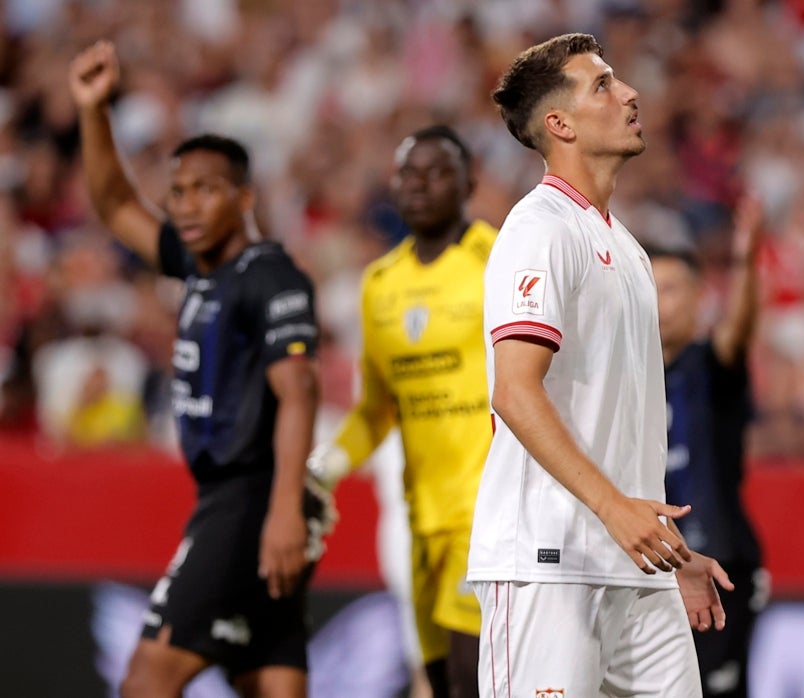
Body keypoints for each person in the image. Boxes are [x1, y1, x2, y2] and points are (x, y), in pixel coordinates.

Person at [468, 32, 733, 697]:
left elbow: (619, 423)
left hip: (634, 568)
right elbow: (515, 393)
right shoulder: (539, 231)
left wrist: (665, 549)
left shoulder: (627, 247)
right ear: (559, 124)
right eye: (603, 85)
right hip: (547, 562)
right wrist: (614, 509)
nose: (630, 93)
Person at [70, 41, 329, 698]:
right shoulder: (198, 266)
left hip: (248, 502)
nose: (185, 206)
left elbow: (299, 391)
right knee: (271, 679)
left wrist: (280, 514)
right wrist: (94, 111)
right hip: (245, 499)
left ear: (244, 197)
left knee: (146, 677)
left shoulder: (267, 275)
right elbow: (113, 203)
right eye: (178, 192)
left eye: (205, 191)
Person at [306, 125, 496, 698]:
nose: (419, 186)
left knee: (471, 677)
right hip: (418, 517)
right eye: (408, 175)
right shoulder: (380, 284)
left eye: (437, 173)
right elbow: (375, 409)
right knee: (436, 682)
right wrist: (323, 470)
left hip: (486, 508)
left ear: (469, 182)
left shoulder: (500, 258)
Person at [648, 197, 768, 698]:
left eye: (671, 289)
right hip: (649, 560)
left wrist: (744, 264)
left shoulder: (708, 366)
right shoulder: (625, 378)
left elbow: (736, 335)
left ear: (700, 298)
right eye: (648, 289)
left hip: (715, 558)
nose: (658, 301)